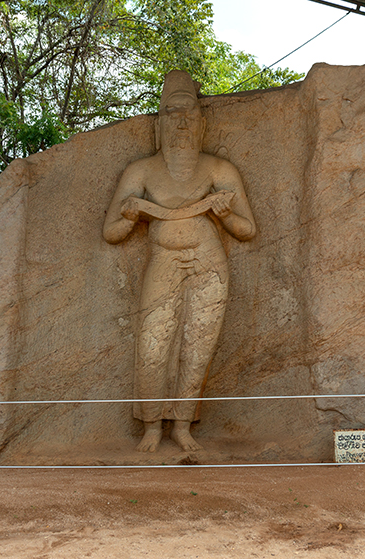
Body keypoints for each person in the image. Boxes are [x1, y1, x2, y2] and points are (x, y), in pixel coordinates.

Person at [103, 70, 256, 452]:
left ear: (202, 122)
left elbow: (247, 229)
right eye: (173, 113)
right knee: (153, 344)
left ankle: (184, 424)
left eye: (190, 114)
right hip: (163, 260)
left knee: (198, 345)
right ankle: (152, 425)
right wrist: (130, 213)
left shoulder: (218, 169)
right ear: (160, 123)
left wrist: (222, 214)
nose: (182, 122)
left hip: (208, 264)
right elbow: (111, 233)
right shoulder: (141, 171)